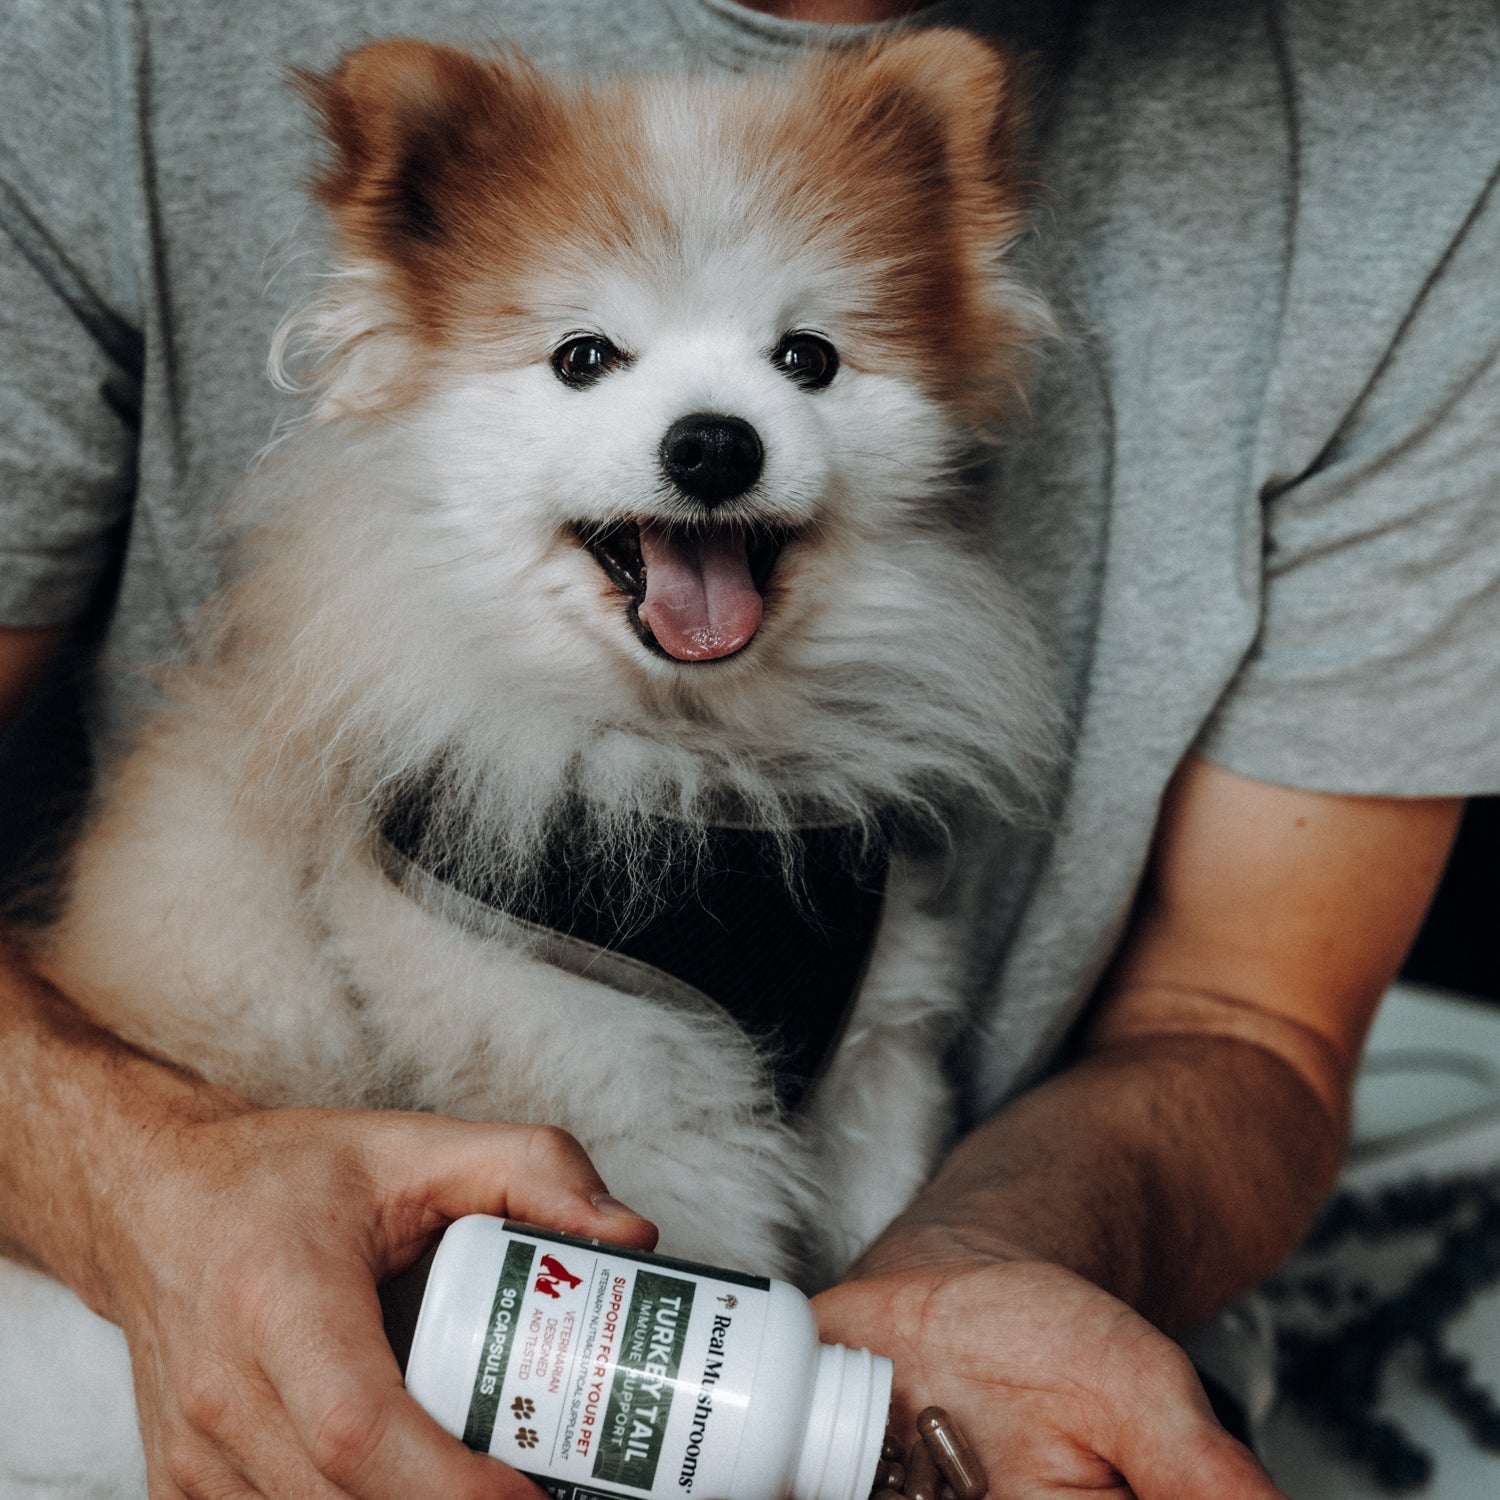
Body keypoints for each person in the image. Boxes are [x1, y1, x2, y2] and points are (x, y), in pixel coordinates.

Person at [1, 0, 1496, 1495]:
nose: (713, 425)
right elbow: (629, 1212)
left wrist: (955, 1281)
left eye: (805, 354)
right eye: (586, 355)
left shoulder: (1424, 133)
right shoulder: (107, 37)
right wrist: (145, 1182)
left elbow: (1249, 1024)